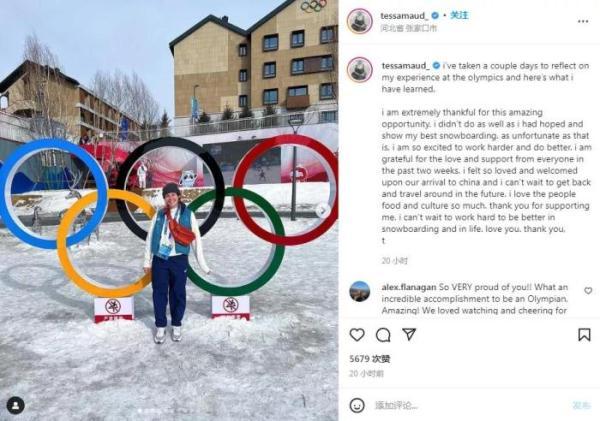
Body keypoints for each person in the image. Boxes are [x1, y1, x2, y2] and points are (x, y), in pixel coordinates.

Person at [143, 183, 211, 344]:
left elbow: (196, 239)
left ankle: (176, 324)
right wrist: (147, 261)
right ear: (164, 198)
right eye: (167, 195)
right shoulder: (159, 215)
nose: (170, 198)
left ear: (179, 196)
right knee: (159, 293)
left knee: (178, 293)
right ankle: (160, 326)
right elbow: (150, 238)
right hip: (160, 258)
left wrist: (202, 264)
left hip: (179, 259)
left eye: (173, 194)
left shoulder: (188, 214)